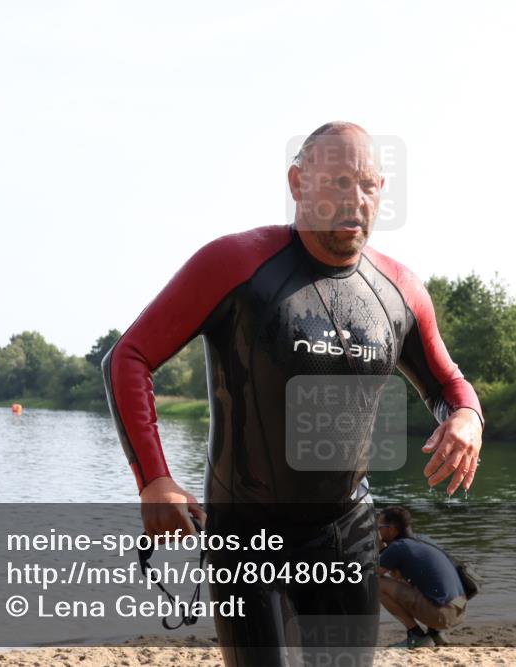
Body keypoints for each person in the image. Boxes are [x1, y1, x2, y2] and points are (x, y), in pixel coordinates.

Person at [102, 121, 484, 666]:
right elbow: (129, 358)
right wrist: (155, 479)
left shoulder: (400, 290)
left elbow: (450, 384)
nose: (355, 200)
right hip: (246, 531)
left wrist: (467, 416)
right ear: (298, 183)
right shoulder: (234, 265)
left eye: (369, 185)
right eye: (337, 183)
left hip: (345, 531)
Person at [376, 507, 467, 649]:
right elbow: (399, 576)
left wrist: (378, 547)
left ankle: (416, 635)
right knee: (408, 582)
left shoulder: (398, 548)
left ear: (392, 529)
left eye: (379, 527)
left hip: (441, 615)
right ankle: (435, 633)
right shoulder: (424, 540)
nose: (377, 531)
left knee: (375, 584)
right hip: (460, 609)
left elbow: (371, 574)